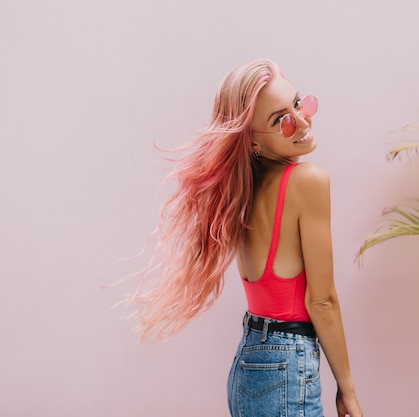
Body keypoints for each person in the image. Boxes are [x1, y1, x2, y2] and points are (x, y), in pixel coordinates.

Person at [130, 59, 363, 417]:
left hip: (249, 363)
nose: (301, 121)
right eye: (280, 120)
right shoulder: (308, 181)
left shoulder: (241, 193)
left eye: (299, 104)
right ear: (252, 142)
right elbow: (322, 301)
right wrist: (347, 389)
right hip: (286, 366)